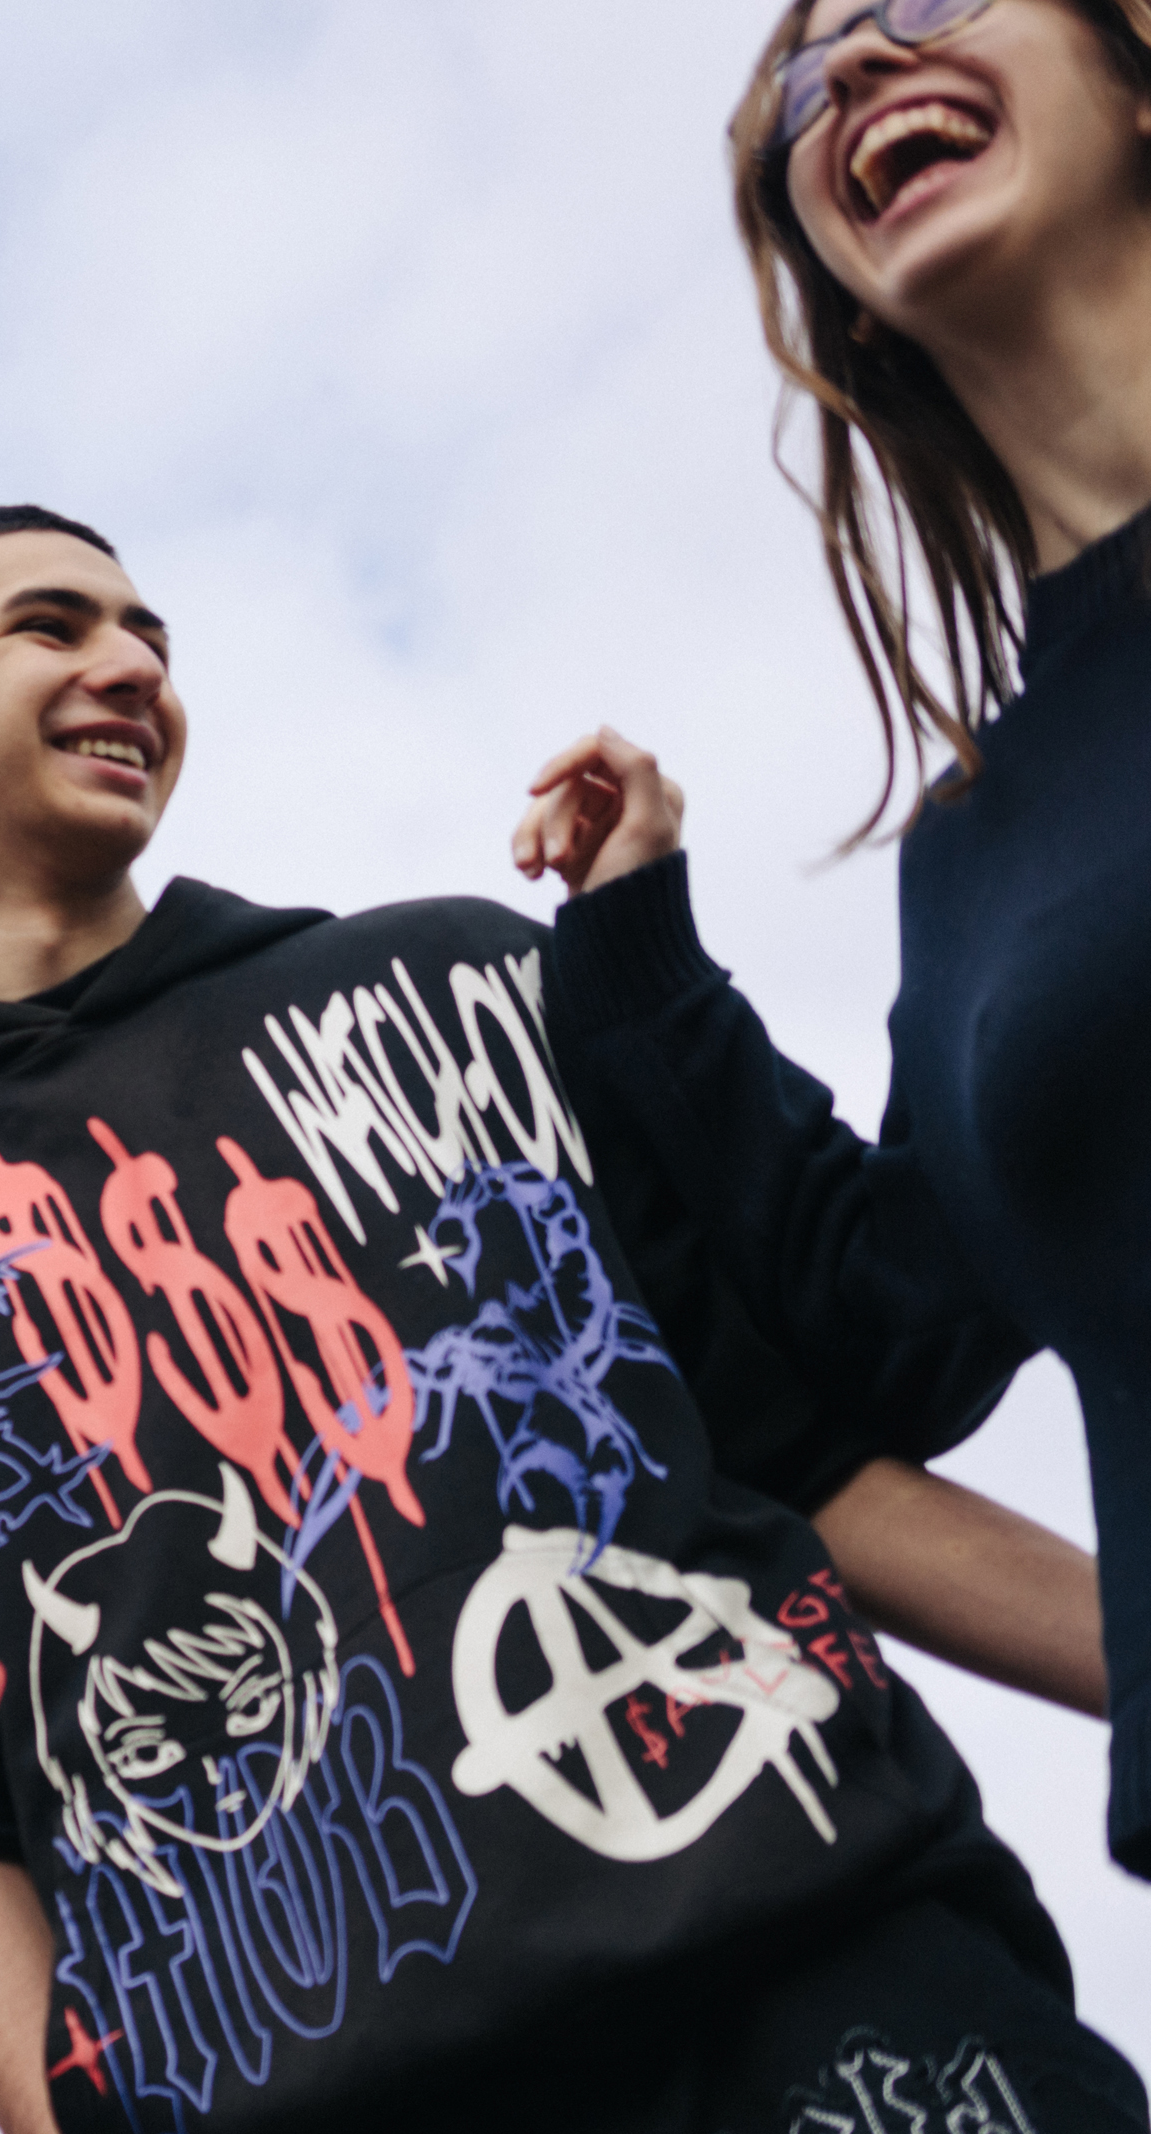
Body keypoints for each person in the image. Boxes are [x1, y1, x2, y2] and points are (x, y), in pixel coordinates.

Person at [0, 506, 1151, 2134]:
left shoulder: (455, 976)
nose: (130, 665)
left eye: (151, 631)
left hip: (861, 2072)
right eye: (53, 624)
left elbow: (795, 1458)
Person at [525, 0, 1151, 1872]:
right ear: (851, 286)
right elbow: (886, 1337)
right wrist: (637, 947)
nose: (860, 64)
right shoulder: (986, 839)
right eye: (806, 78)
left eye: (933, 2)